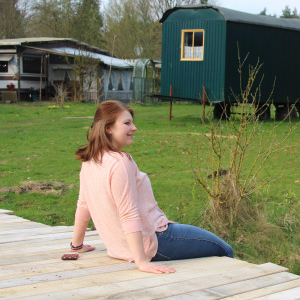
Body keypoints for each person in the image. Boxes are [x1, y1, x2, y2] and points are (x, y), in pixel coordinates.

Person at [70, 100, 233, 274]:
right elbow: (128, 213)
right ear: (108, 128)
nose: (134, 128)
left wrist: (76, 245)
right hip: (154, 241)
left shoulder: (91, 160)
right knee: (225, 249)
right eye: (127, 123)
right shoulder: (120, 163)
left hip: (120, 248)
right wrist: (142, 262)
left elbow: (84, 204)